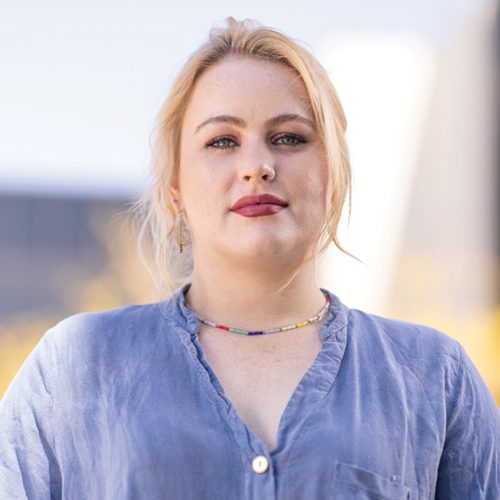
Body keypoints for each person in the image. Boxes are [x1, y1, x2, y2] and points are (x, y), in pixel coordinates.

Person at [0, 17, 498, 500]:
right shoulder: (74, 367)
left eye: (289, 138)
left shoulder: (435, 377)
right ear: (175, 189)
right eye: (222, 141)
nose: (257, 166)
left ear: (333, 173)